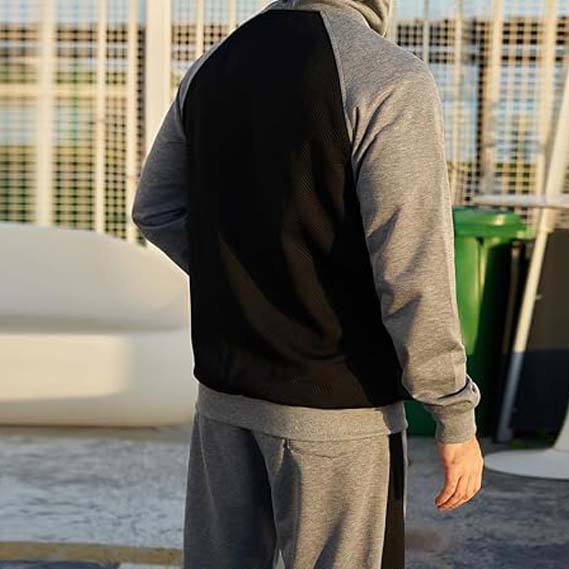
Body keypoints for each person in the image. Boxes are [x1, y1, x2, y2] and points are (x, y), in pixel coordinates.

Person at [131, 0, 485, 567]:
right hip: (340, 408)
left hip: (225, 398)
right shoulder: (387, 76)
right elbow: (412, 266)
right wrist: (453, 412)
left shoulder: (213, 67)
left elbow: (155, 209)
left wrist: (250, 286)